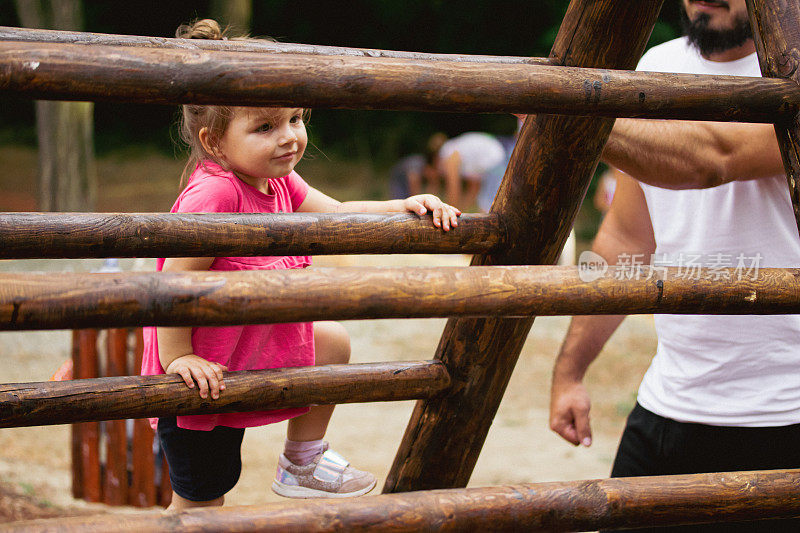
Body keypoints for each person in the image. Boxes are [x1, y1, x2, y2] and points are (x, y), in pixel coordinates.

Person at [141, 19, 461, 511]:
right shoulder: (216, 192)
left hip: (247, 350)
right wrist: (178, 357)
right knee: (200, 506)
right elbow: (175, 277)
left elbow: (336, 213)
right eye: (265, 127)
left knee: (331, 339)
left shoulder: (278, 184)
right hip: (201, 372)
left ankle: (302, 461)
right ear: (213, 143)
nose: (289, 136)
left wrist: (404, 204)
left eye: (294, 118)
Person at [549, 1, 800, 530]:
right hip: (670, 405)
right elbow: (627, 237)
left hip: (788, 413)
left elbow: (715, 156)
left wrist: (566, 106)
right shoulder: (656, 66)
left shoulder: (794, 68)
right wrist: (571, 371)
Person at [434, 131, 506, 210]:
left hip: (494, 161)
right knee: (486, 206)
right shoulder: (458, 148)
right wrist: (462, 210)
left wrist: (448, 212)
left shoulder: (448, 154)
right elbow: (474, 187)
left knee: (487, 207)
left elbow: (453, 188)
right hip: (499, 157)